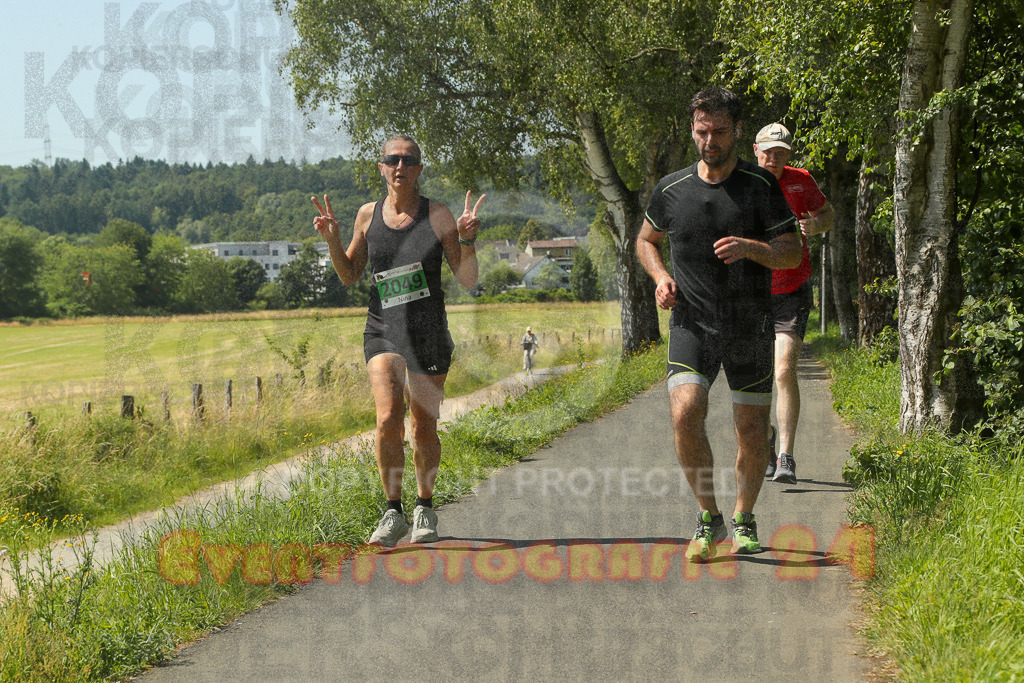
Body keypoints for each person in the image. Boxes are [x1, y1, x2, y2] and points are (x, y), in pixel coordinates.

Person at [636, 88, 801, 560]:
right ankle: (708, 518)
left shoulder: (761, 187)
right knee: (685, 414)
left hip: (750, 326)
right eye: (702, 131)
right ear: (693, 129)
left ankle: (744, 516)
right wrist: (660, 276)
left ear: (736, 131)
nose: (710, 141)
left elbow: (791, 250)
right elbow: (646, 240)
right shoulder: (671, 189)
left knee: (751, 431)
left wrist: (751, 248)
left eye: (720, 132)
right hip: (692, 323)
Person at [312, 134, 485, 547]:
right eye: (392, 159)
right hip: (383, 329)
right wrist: (334, 239)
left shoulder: (439, 214)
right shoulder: (366, 216)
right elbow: (350, 274)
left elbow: (468, 278)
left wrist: (466, 238)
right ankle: (393, 512)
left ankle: (424, 506)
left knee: (423, 425)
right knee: (388, 417)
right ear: (382, 167)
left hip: (428, 332)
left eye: (408, 160)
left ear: (419, 169)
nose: (400, 166)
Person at [753, 123, 834, 485]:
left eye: (781, 152)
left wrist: (816, 228)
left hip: (792, 289)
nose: (774, 158)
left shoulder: (801, 180)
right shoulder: (739, 182)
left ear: (789, 154)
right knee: (755, 379)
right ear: (755, 149)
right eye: (768, 151)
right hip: (750, 293)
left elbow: (826, 214)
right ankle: (767, 438)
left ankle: (786, 455)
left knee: (784, 369)